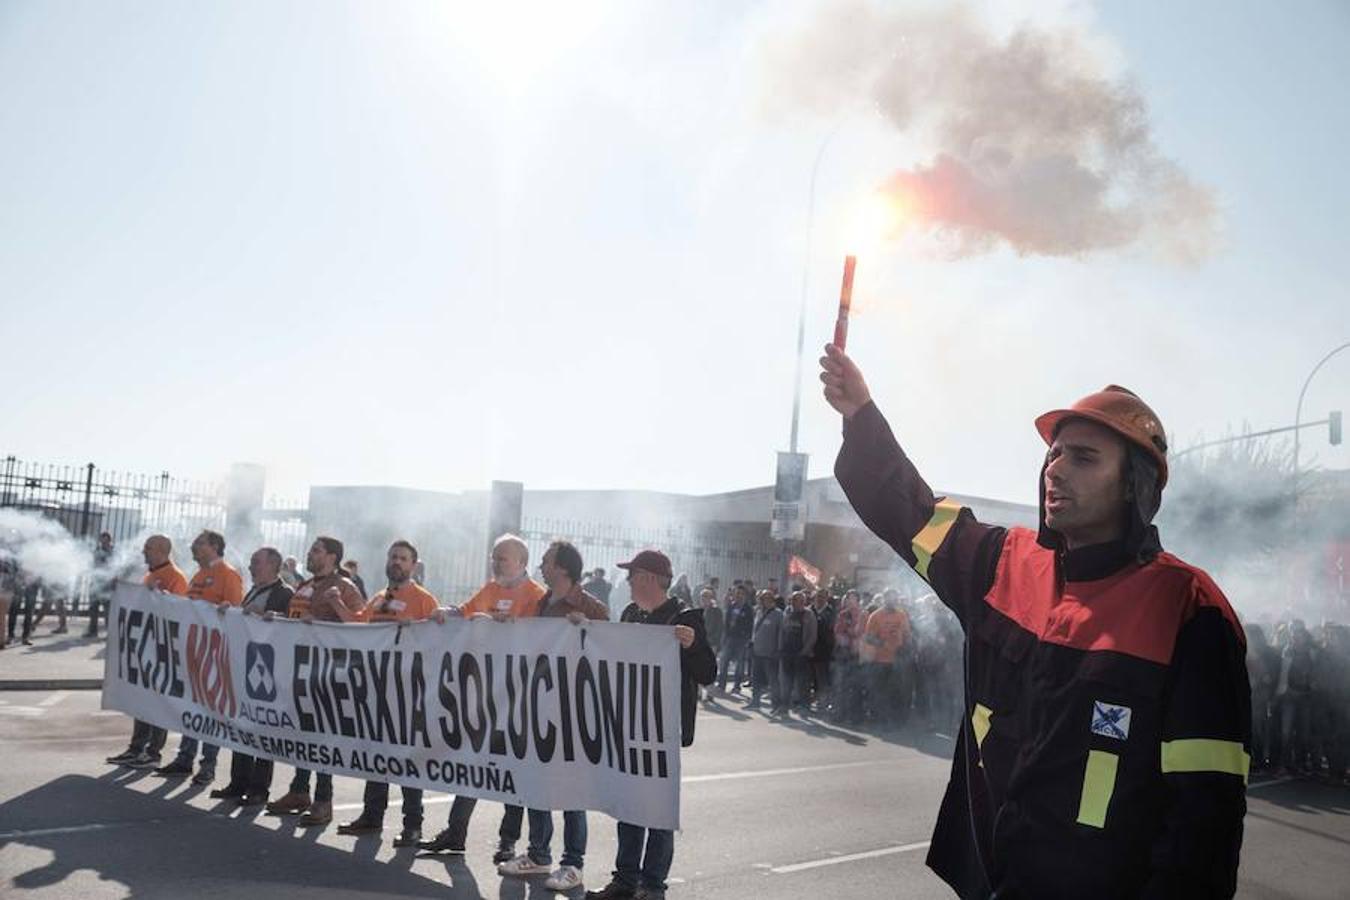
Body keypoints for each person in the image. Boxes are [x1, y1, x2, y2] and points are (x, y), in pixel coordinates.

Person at [821, 343, 1250, 898]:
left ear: (1134, 486)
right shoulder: (1000, 562)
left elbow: (1204, 825)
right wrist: (860, 414)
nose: (1057, 470)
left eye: (1084, 458)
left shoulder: (1190, 609)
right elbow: (910, 511)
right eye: (1055, 454)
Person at [586, 549, 716, 900]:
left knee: (657, 807)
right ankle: (625, 880)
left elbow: (708, 672)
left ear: (647, 578)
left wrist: (691, 647)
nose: (627, 583)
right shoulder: (630, 614)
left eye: (632, 576)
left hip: (663, 728)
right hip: (629, 724)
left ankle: (652, 885)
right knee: (628, 803)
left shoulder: (684, 617)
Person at [419, 533, 545, 862]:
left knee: (510, 770)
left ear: (521, 562)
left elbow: (544, 638)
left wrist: (511, 626)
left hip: (517, 694)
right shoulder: (490, 588)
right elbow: (464, 612)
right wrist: (444, 611)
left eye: (502, 557)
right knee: (471, 762)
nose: (496, 561)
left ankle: (508, 840)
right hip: (483, 691)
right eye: (494, 556)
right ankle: (456, 832)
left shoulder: (535, 595)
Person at [498, 540, 609, 893]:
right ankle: (538, 853)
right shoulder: (541, 603)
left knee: (571, 790)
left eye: (546, 561)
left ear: (562, 568)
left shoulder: (591, 606)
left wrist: (588, 628)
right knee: (537, 783)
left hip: (573, 712)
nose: (542, 567)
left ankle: (572, 863)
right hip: (540, 706)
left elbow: (611, 652)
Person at [338, 540, 440, 847]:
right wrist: (335, 605)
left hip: (407, 692)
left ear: (413, 565)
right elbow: (358, 628)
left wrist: (417, 629)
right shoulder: (379, 598)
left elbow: (438, 639)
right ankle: (372, 815)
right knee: (374, 755)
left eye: (403, 558)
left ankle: (413, 824)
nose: (397, 562)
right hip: (375, 689)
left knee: (407, 761)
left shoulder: (423, 599)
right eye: (393, 557)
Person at [265, 535, 366, 826]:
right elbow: (293, 618)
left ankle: (324, 800)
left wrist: (327, 617)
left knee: (322, 736)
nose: (310, 554)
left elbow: (359, 625)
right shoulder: (305, 585)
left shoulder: (345, 587)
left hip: (327, 671)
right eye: (311, 550)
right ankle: (299, 790)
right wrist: (277, 617)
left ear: (332, 556)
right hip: (298, 670)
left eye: (316, 551)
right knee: (302, 733)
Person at [154, 530, 244, 786]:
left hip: (214, 655)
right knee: (191, 708)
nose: (193, 547)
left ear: (214, 547)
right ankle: (185, 758)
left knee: (211, 712)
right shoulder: (199, 575)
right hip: (192, 651)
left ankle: (208, 765)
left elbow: (236, 614)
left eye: (199, 544)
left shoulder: (228, 575)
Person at [210, 546, 294, 805]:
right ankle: (238, 782)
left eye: (256, 562)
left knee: (263, 732)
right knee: (243, 726)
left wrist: (272, 618)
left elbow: (290, 627)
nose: (251, 566)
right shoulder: (254, 590)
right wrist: (231, 612)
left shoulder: (284, 593)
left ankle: (259, 788)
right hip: (246, 669)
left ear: (273, 566)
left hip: (268, 671)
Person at [105, 535, 191, 769]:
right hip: (144, 647)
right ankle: (136, 748)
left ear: (163, 550)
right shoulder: (150, 575)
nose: (144, 551)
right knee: (140, 700)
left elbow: (178, 610)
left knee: (156, 702)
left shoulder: (175, 577)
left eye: (149, 547)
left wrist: (157, 595)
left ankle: (153, 752)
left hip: (162, 650)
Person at [776, 590, 817, 717]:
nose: (794, 602)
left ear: (803, 602)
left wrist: (805, 650)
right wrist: (780, 647)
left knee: (802, 682)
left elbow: (812, 635)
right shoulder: (787, 613)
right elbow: (782, 631)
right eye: (792, 600)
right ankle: (784, 706)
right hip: (787, 652)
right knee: (786, 681)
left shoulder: (808, 614)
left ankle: (804, 705)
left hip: (801, 653)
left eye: (797, 600)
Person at [747, 589, 783, 711]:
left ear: (772, 600)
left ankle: (776, 705)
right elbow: (754, 629)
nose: (764, 601)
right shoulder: (759, 612)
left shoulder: (778, 614)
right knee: (755, 678)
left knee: (773, 680)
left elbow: (780, 633)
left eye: (767, 598)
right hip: (757, 650)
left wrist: (778, 649)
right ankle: (755, 701)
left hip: (770, 652)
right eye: (763, 599)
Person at [717, 585, 753, 694]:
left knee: (739, 664)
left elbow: (750, 625)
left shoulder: (748, 609)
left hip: (741, 640)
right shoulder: (731, 606)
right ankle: (721, 684)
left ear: (745, 596)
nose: (738, 596)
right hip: (729, 638)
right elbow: (726, 623)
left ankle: (737, 686)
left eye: (741, 594)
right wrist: (724, 637)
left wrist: (747, 639)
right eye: (737, 593)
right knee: (724, 662)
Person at [86, 531, 115, 637]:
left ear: (109, 541)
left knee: (107, 610)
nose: (103, 543)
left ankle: (110, 633)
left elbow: (115, 568)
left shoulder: (113, 552)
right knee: (93, 607)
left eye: (105, 541)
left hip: (106, 584)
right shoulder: (97, 551)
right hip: (96, 583)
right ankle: (93, 631)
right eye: (102, 540)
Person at [698, 588, 723, 702]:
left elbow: (719, 628)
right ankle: (698, 693)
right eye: (703, 597)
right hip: (699, 643)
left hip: (711, 643)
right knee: (698, 667)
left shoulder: (716, 611)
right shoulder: (697, 610)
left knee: (710, 668)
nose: (704, 599)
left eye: (707, 597)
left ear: (711, 598)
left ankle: (710, 693)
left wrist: (715, 642)